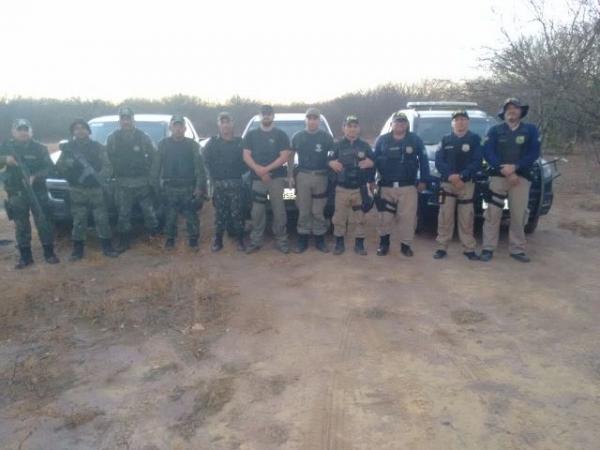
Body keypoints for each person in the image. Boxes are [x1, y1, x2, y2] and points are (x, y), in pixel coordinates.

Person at [481, 98, 540, 263]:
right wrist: (503, 168)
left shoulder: (531, 130)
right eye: (508, 108)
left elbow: (534, 153)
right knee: (492, 214)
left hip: (520, 179)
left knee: (518, 215)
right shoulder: (494, 130)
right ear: (503, 112)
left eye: (515, 108)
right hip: (497, 178)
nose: (512, 111)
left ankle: (517, 249)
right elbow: (487, 152)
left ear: (521, 111)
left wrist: (515, 168)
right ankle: (488, 248)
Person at [56, 119, 119, 260]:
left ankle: (107, 247)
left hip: (96, 189)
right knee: (79, 220)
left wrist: (99, 178)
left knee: (102, 219)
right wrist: (71, 172)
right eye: (76, 128)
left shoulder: (98, 147)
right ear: (73, 132)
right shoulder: (68, 149)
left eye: (83, 128)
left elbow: (108, 166)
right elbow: (60, 167)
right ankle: (77, 251)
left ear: (88, 131)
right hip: (77, 189)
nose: (80, 131)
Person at [0, 119, 59, 268]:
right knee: (21, 225)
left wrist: (35, 176)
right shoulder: (6, 147)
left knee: (44, 222)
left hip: (37, 192)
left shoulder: (40, 148)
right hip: (16, 192)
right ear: (13, 132)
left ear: (31, 131)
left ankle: (49, 253)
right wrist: (5, 159)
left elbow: (50, 168)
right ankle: (25, 257)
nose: (23, 132)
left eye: (26, 129)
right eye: (20, 129)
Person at [373, 111, 429, 257]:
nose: (400, 124)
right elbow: (373, 161)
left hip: (408, 186)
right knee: (384, 217)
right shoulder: (382, 140)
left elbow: (424, 161)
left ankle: (406, 245)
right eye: (397, 122)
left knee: (408, 218)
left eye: (403, 122)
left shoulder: (415, 140)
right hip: (386, 185)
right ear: (391, 124)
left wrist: (424, 180)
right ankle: (384, 244)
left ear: (407, 124)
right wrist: (371, 181)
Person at [106, 107, 159, 252]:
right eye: (123, 119)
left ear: (133, 120)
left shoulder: (143, 137)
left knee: (149, 212)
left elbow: (155, 158)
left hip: (142, 182)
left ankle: (153, 238)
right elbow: (107, 159)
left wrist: (151, 177)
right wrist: (110, 176)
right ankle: (124, 241)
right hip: (122, 183)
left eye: (128, 118)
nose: (126, 121)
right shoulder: (112, 138)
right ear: (119, 121)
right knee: (123, 214)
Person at [151, 115, 207, 250]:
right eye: (175, 126)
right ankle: (170, 238)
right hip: (170, 187)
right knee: (169, 215)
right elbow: (156, 168)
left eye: (180, 126)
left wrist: (199, 188)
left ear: (185, 128)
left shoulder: (192, 145)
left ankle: (193, 239)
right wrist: (156, 188)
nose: (178, 129)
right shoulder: (163, 145)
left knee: (191, 215)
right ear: (171, 127)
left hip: (188, 186)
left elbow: (200, 168)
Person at [433, 110, 482, 260]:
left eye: (463, 119)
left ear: (468, 122)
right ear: (452, 123)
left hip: (466, 184)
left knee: (466, 218)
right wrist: (451, 176)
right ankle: (441, 247)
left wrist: (462, 176)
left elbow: (477, 161)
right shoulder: (445, 139)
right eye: (457, 119)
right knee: (444, 216)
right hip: (447, 184)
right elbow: (439, 161)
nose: (460, 122)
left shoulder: (474, 139)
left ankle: (468, 249)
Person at [242, 105, 292, 254]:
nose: (266, 116)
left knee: (279, 210)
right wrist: (259, 170)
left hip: (277, 179)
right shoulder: (251, 135)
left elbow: (284, 156)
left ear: (273, 116)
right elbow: (246, 155)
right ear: (259, 116)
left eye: (269, 114)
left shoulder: (281, 135)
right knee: (257, 211)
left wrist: (266, 169)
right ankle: (256, 240)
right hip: (257, 179)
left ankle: (282, 240)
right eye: (264, 114)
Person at [328, 115, 375, 256]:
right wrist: (330, 163)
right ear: (344, 128)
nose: (352, 129)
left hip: (359, 188)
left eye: (355, 126)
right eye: (349, 126)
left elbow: (374, 161)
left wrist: (371, 163)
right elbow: (327, 160)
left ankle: (359, 244)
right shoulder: (336, 145)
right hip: (342, 188)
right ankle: (339, 243)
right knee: (339, 218)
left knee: (360, 217)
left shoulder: (365, 146)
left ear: (359, 129)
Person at [290, 108, 334, 253]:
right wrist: (290, 175)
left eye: (315, 118)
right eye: (309, 118)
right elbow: (290, 156)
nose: (312, 121)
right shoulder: (298, 136)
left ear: (319, 120)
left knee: (318, 209)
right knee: (303, 209)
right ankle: (302, 239)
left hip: (321, 176)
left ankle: (319, 239)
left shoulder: (326, 137)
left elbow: (333, 156)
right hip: (302, 175)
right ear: (306, 120)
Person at [203, 112, 247, 252]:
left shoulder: (240, 142)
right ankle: (218, 240)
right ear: (219, 125)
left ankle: (240, 240)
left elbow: (247, 161)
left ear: (232, 124)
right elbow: (205, 162)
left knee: (237, 213)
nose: (225, 125)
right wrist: (210, 181)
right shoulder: (212, 143)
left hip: (236, 183)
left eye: (228, 122)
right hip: (219, 184)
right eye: (223, 122)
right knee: (220, 214)